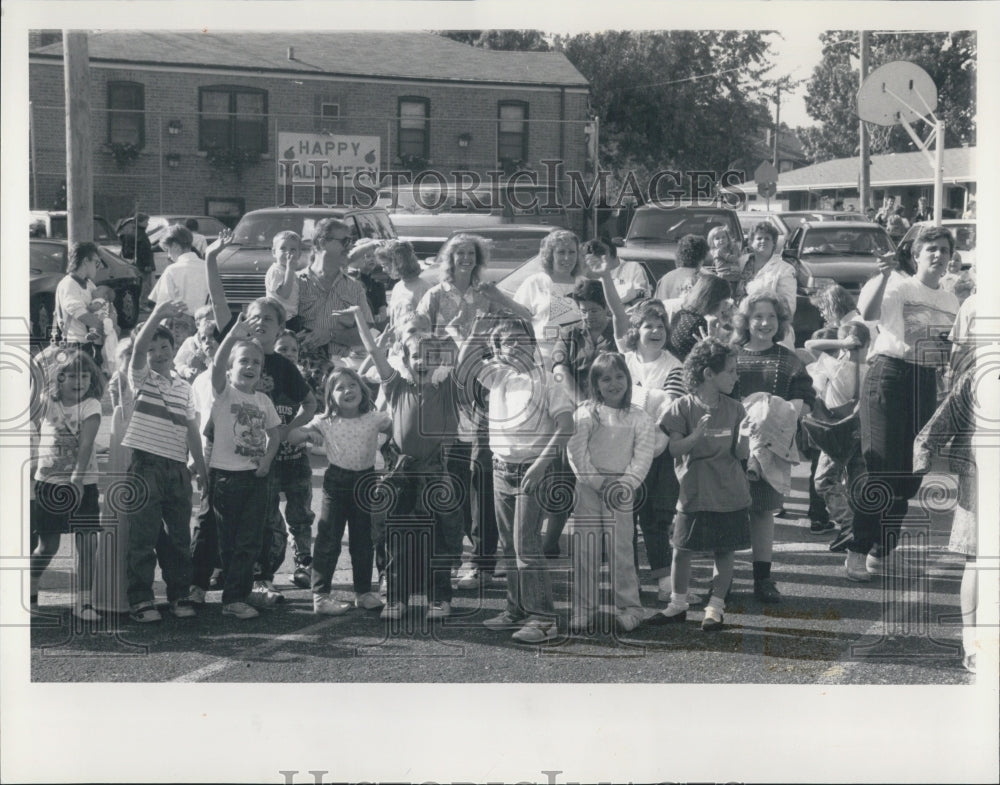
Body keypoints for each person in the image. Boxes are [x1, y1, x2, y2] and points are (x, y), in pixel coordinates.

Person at [204, 232, 318, 605]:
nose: (260, 323)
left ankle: (264, 577)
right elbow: (219, 302)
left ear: (280, 327)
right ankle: (230, 577)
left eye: (269, 319)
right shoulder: (237, 350)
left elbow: (310, 403)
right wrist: (210, 261)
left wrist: (288, 429)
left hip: (273, 456)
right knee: (230, 522)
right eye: (254, 318)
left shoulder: (284, 365)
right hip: (230, 456)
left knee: (273, 522)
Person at [846, 226, 958, 581]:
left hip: (925, 382)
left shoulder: (951, 300)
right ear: (916, 254)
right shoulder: (898, 285)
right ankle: (857, 546)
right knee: (880, 467)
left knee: (912, 472)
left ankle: (884, 544)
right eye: (931, 249)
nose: (938, 255)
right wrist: (880, 275)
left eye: (943, 249)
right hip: (890, 375)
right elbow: (866, 312)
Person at [341, 305, 464, 622]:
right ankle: (396, 597)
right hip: (400, 473)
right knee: (397, 537)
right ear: (406, 360)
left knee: (437, 537)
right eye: (416, 356)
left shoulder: (446, 387)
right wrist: (359, 315)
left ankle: (439, 599)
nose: (423, 361)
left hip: (434, 471)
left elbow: (462, 357)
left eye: (430, 356)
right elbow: (372, 350)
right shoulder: (396, 387)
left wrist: (455, 330)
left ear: (439, 362)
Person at [457, 315, 573, 644]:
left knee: (526, 546)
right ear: (497, 350)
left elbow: (566, 427)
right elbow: (463, 361)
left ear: (532, 345)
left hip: (533, 470)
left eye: (521, 340)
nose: (515, 346)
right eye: (506, 342)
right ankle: (517, 609)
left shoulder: (547, 381)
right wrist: (477, 331)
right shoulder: (499, 378)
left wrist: (540, 465)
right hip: (501, 468)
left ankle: (544, 618)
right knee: (510, 546)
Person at [648, 338, 751, 631]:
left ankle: (715, 608)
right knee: (681, 549)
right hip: (692, 493)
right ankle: (677, 604)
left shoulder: (736, 409)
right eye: (730, 371)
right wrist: (697, 436)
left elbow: (741, 455)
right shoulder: (681, 407)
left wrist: (745, 436)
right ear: (708, 373)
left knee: (725, 550)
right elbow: (674, 450)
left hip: (729, 492)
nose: (736, 377)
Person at [121, 301, 208, 623]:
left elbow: (192, 430)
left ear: (174, 349)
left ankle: (179, 594)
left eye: (164, 346)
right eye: (153, 347)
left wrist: (200, 466)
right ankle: (141, 599)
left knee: (178, 539)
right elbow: (139, 349)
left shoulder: (184, 388)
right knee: (142, 538)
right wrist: (157, 315)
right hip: (145, 467)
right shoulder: (142, 379)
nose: (158, 352)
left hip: (176, 470)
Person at [731, 291, 815, 603]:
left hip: (771, 450)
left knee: (763, 512)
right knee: (728, 511)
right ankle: (722, 579)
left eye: (771, 317)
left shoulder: (788, 360)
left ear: (780, 322)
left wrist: (780, 411)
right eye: (757, 317)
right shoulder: (731, 354)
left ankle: (762, 578)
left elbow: (807, 401)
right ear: (745, 321)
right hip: (732, 446)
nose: (765, 323)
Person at [288, 367, 392, 614]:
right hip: (336, 483)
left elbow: (395, 429)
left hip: (366, 482)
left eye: (352, 384)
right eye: (339, 387)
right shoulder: (325, 421)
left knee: (363, 540)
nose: (347, 390)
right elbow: (292, 436)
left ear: (362, 389)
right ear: (330, 397)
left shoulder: (374, 418)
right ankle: (321, 596)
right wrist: (306, 434)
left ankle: (364, 592)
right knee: (328, 539)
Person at [565, 352, 654, 634]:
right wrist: (598, 482)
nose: (614, 383)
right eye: (606, 378)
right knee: (586, 549)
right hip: (589, 487)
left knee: (622, 550)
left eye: (619, 376)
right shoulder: (585, 414)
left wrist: (622, 485)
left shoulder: (639, 417)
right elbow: (576, 455)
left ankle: (630, 608)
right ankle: (584, 608)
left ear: (628, 379)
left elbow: (643, 458)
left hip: (621, 490)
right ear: (595, 383)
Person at [205, 314, 282, 619]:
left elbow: (275, 434)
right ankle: (232, 597)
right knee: (229, 540)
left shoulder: (263, 399)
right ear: (231, 368)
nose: (250, 367)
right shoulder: (225, 393)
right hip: (225, 477)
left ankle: (239, 594)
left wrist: (265, 462)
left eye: (256, 363)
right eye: (243, 362)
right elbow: (215, 366)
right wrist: (233, 335)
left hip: (255, 477)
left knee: (250, 539)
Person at [30, 348, 105, 621]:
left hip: (82, 483)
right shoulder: (45, 402)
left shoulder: (91, 405)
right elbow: (29, 389)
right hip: (48, 483)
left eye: (84, 375)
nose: (79, 381)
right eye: (71, 375)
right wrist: (39, 360)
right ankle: (29, 592)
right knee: (47, 546)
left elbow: (86, 444)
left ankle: (84, 602)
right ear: (58, 378)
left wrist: (76, 478)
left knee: (87, 544)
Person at [803, 321, 871, 551]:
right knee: (856, 485)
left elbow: (809, 345)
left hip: (836, 433)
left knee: (824, 481)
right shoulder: (872, 370)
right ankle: (861, 533)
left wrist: (840, 342)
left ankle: (848, 523)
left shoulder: (837, 366)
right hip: (860, 432)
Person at [267, 329, 316, 589]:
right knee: (270, 517)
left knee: (300, 515)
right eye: (282, 349)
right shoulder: (265, 382)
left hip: (296, 460)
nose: (288, 354)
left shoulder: (302, 384)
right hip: (270, 461)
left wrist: (295, 429)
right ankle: (268, 568)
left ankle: (304, 563)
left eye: (293, 350)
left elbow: (314, 411)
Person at [513, 228, 583, 364]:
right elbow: (521, 319)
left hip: (578, 356)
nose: (567, 258)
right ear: (550, 255)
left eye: (572, 252)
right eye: (561, 252)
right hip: (544, 356)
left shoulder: (584, 283)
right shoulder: (535, 282)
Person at [736, 221, 797, 339]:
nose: (763, 241)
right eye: (759, 238)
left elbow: (788, 308)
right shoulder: (741, 262)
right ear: (750, 242)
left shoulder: (785, 269)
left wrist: (772, 329)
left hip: (769, 329)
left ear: (774, 243)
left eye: (767, 239)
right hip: (741, 327)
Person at [54, 241, 104, 364]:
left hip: (88, 344)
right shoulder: (69, 284)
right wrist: (107, 325)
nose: (99, 267)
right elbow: (86, 318)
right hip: (75, 347)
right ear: (86, 261)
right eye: (96, 262)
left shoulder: (88, 283)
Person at [666, 273, 735, 361]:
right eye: (725, 301)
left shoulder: (681, 314)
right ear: (714, 302)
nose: (727, 306)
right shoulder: (699, 325)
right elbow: (717, 361)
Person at [148, 225, 210, 317]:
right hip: (205, 323)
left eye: (168, 249)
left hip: (179, 323)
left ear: (175, 246)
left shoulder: (172, 270)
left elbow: (162, 304)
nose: (168, 255)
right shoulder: (207, 267)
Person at [380, 240, 432, 335]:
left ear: (398, 263)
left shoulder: (423, 288)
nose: (383, 270)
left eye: (385, 265)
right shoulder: (397, 287)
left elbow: (429, 324)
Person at [265, 230, 305, 333]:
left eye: (293, 249)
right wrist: (290, 269)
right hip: (279, 319)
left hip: (292, 317)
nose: (288, 253)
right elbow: (284, 293)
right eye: (283, 248)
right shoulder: (276, 271)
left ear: (299, 254)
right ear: (274, 252)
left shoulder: (289, 271)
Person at [654, 234, 708, 301]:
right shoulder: (706, 280)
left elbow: (656, 306)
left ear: (679, 255)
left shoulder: (665, 279)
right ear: (702, 258)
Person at [118, 213, 156, 304]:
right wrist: (147, 264)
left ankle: (137, 302)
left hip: (132, 262)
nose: (148, 224)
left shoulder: (128, 232)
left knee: (137, 284)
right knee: (145, 284)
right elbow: (144, 250)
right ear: (140, 222)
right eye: (146, 221)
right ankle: (143, 303)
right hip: (142, 264)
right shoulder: (140, 234)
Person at [174, 305, 218, 382]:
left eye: (215, 320)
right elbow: (179, 363)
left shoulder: (218, 340)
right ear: (197, 324)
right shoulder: (191, 342)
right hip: (195, 381)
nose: (212, 323)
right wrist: (186, 370)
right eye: (208, 320)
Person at [706, 225, 742, 291]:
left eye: (723, 237)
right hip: (725, 278)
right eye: (717, 238)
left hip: (734, 277)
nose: (721, 240)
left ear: (728, 239)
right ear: (712, 242)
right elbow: (733, 259)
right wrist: (736, 251)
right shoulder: (719, 251)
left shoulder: (728, 250)